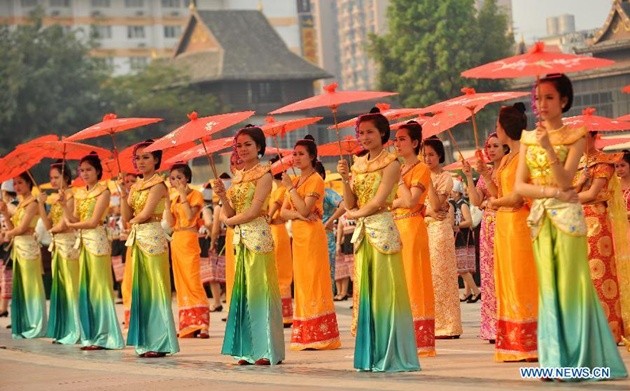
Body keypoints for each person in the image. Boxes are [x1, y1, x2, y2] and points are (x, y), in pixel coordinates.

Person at [514, 73, 626, 380]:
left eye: (549, 97)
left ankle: (579, 360)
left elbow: (566, 180)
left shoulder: (575, 136)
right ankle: (553, 361)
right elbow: (520, 186)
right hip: (540, 220)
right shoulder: (526, 139)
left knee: (571, 287)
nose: (542, 104)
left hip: (569, 222)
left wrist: (549, 148)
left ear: (564, 100)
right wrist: (551, 193)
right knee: (548, 289)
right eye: (538, 98)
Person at [337, 108, 420, 372]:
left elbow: (379, 200)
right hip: (363, 234)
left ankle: (391, 353)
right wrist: (344, 179)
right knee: (366, 293)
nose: (364, 137)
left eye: (370, 132)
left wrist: (354, 213)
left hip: (382, 230)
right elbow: (351, 201)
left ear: (383, 133)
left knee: (386, 293)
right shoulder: (357, 164)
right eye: (360, 133)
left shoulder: (392, 162)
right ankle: (371, 354)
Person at [214, 125, 284, 366]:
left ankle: (266, 350)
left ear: (259, 147)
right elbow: (232, 211)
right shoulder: (239, 175)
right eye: (239, 145)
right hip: (241, 240)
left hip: (258, 238)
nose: (242, 149)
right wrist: (223, 196)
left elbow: (254, 211)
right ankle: (247, 349)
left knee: (260, 292)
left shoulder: (265, 174)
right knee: (243, 292)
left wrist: (227, 221)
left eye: (248, 145)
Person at [487, 103, 538, 362]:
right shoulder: (506, 159)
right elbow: (500, 194)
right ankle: (515, 342)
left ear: (506, 128)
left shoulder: (525, 156)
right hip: (504, 226)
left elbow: (517, 198)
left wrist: (496, 203)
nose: (497, 130)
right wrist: (486, 179)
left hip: (519, 224)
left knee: (522, 279)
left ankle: (531, 343)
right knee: (506, 281)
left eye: (498, 125)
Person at [281, 136, 341, 351]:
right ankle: (306, 333)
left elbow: (305, 209)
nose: (295, 157)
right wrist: (297, 213)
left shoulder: (315, 179)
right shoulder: (297, 182)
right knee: (304, 282)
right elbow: (283, 212)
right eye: (294, 154)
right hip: (299, 235)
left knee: (315, 279)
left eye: (300, 154)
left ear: (312, 157)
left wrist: (289, 190)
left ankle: (321, 333)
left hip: (313, 235)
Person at [119, 140, 179, 358]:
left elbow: (144, 215)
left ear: (156, 160)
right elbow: (126, 217)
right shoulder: (135, 186)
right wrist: (124, 194)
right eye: (138, 158)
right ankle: (146, 341)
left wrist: (132, 221)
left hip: (153, 237)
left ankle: (160, 342)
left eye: (146, 157)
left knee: (156, 289)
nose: (141, 161)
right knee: (142, 290)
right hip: (138, 239)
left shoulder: (158, 185)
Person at [63, 153, 123, 350]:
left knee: (100, 289)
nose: (85, 173)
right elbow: (72, 220)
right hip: (83, 244)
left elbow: (93, 221)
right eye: (82, 170)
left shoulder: (104, 191)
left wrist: (75, 225)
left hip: (97, 242)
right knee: (86, 289)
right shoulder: (80, 194)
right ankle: (91, 336)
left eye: (89, 169)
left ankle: (105, 336)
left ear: (98, 171)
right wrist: (64, 206)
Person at [392, 120, 436, 357]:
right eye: (396, 139)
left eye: (402, 139)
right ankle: (400, 334)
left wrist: (399, 183)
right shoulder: (396, 168)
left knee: (413, 278)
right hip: (396, 227)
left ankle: (418, 338)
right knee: (399, 281)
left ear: (415, 142)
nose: (397, 143)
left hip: (412, 226)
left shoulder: (421, 169)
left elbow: (410, 202)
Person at [575, 132, 624, 343]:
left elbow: (592, 194)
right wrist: (581, 180)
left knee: (600, 275)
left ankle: (608, 330)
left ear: (593, 137)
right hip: (577, 220)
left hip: (597, 220)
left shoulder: (604, 162)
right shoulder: (579, 164)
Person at [462, 133, 505, 343]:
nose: (491, 150)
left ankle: (506, 323)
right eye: (488, 146)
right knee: (488, 275)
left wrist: (487, 178)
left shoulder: (507, 170)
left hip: (504, 224)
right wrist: (470, 176)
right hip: (487, 227)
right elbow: (476, 201)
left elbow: (500, 197)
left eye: (496, 146)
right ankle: (492, 327)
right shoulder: (486, 172)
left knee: (502, 273)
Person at [423, 136, 463, 339]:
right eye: (425, 155)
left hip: (439, 230)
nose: (427, 159)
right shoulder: (416, 176)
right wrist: (427, 212)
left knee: (442, 275)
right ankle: (430, 322)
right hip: (423, 227)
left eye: (431, 154)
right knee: (426, 277)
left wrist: (427, 181)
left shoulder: (446, 177)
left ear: (439, 155)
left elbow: (437, 205)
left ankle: (448, 325)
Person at [164, 163, 209, 339]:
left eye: (179, 177)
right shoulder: (173, 198)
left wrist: (182, 195)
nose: (176, 181)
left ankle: (202, 324)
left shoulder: (195, 194)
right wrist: (167, 204)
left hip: (189, 238)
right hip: (177, 240)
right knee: (181, 283)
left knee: (193, 280)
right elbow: (169, 223)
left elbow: (190, 216)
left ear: (187, 178)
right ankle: (188, 324)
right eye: (173, 178)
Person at [38, 160, 80, 345]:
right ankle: (63, 330)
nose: (53, 181)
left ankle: (74, 329)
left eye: (56, 177)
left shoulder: (71, 197)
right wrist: (41, 204)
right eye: (51, 178)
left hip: (69, 246)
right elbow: (48, 226)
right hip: (57, 246)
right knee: (60, 288)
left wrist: (54, 229)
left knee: (71, 287)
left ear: (66, 177)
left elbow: (63, 225)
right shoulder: (56, 199)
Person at [0, 173, 47, 339]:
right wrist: (5, 214)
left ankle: (37, 324)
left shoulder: (33, 203)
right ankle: (25, 322)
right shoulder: (20, 204)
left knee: (31, 286)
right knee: (21, 287)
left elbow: (22, 228)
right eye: (15, 183)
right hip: (19, 248)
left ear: (29, 183)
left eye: (20, 182)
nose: (17, 186)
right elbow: (15, 227)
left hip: (28, 247)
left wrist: (7, 233)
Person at [267, 157, 293, 327]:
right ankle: (282, 312)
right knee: (278, 269)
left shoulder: (281, 190)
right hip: (277, 231)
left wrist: (268, 215)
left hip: (276, 230)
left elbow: (273, 211)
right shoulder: (278, 189)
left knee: (279, 270)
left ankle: (282, 314)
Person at [450, 179, 481, 303]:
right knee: (463, 267)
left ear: (457, 192)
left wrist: (456, 224)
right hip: (458, 237)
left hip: (464, 238)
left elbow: (469, 221)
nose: (450, 193)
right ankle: (467, 292)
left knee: (462, 268)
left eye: (452, 191)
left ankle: (476, 291)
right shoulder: (455, 203)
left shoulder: (462, 204)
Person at [118, 172, 137, 327]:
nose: (129, 183)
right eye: (127, 181)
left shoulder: (150, 190)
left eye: (132, 180)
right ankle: (131, 318)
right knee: (128, 282)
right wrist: (123, 195)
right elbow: (126, 219)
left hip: (147, 240)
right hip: (132, 243)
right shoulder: (128, 198)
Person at [0, 180, 18, 319]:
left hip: (11, 246)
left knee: (8, 278)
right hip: (5, 245)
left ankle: (4, 308)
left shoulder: (12, 206)